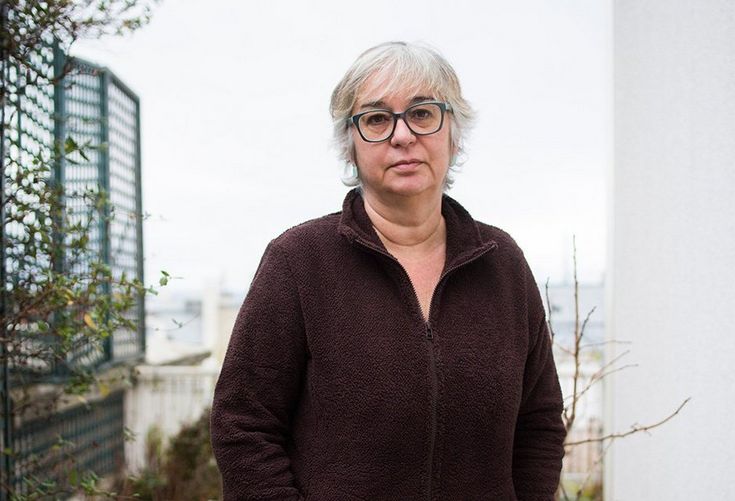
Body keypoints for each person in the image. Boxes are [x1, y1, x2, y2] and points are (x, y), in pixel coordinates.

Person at [210, 41, 566, 501]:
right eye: (376, 119)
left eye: (422, 113)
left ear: (453, 135)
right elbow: (244, 426)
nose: (402, 136)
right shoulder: (299, 261)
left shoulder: (503, 263)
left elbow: (538, 422)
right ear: (350, 146)